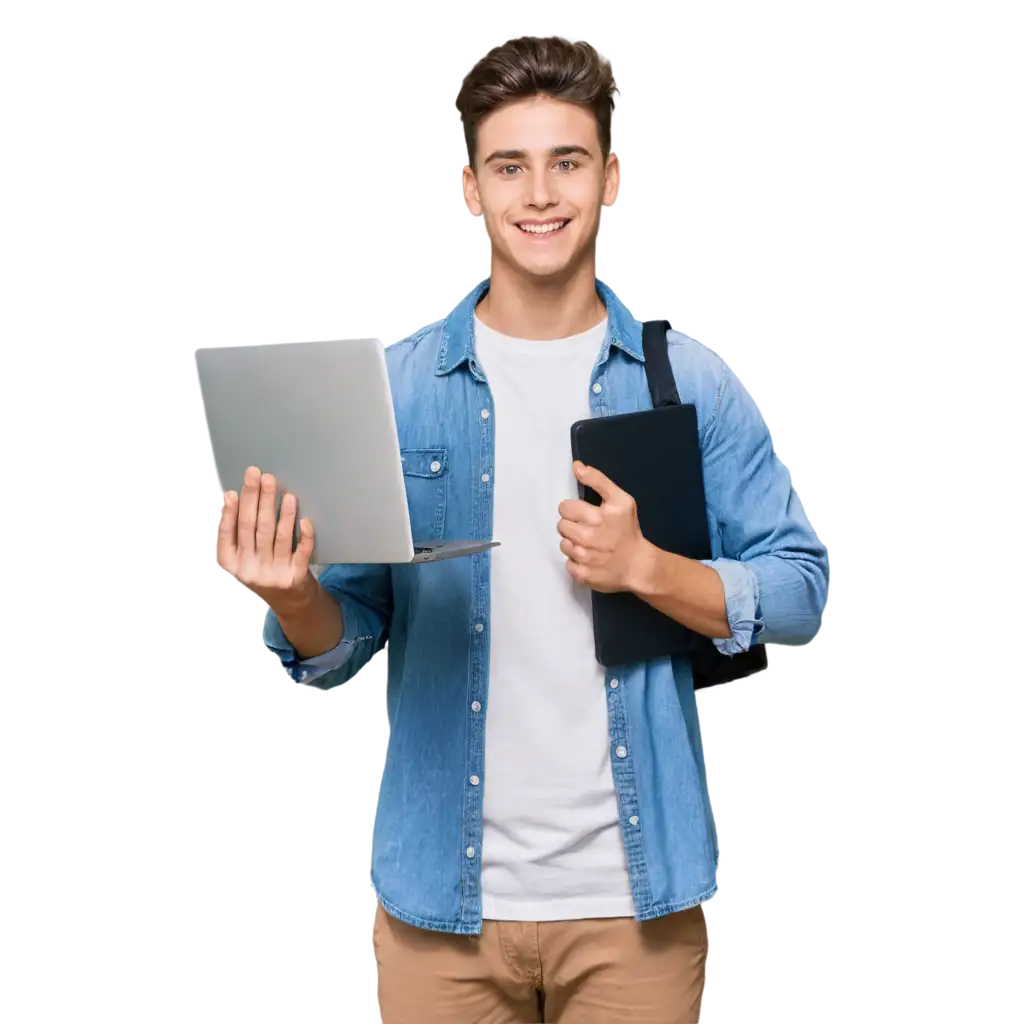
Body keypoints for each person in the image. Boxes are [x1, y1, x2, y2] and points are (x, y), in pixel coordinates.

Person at [210, 35, 828, 1024]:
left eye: (566, 161)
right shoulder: (398, 389)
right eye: (510, 165)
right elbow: (354, 639)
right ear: (469, 188)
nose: (539, 193)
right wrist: (292, 598)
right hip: (437, 908)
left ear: (610, 176)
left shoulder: (692, 384)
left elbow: (799, 588)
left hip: (635, 904)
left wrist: (649, 567)